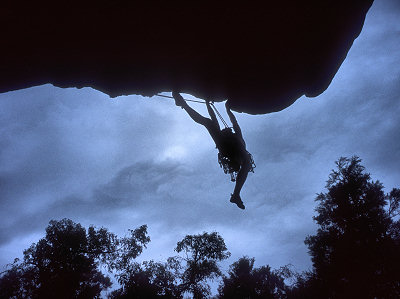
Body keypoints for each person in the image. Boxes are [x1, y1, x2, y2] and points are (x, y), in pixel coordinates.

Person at [172, 91, 255, 209]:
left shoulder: (237, 137)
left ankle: (236, 194)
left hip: (229, 150)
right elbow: (216, 118)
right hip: (230, 150)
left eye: (227, 130)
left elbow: (232, 122)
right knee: (209, 122)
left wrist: (227, 110)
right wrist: (209, 104)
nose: (226, 129)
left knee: (209, 123)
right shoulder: (235, 136)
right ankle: (182, 104)